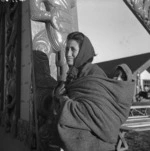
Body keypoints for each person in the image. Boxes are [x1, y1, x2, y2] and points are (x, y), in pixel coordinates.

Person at [54, 32, 135, 151]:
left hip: (95, 141)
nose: (68, 54)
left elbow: (96, 112)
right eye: (66, 49)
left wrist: (63, 100)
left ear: (83, 52)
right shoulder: (73, 74)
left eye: (73, 49)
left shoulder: (94, 73)